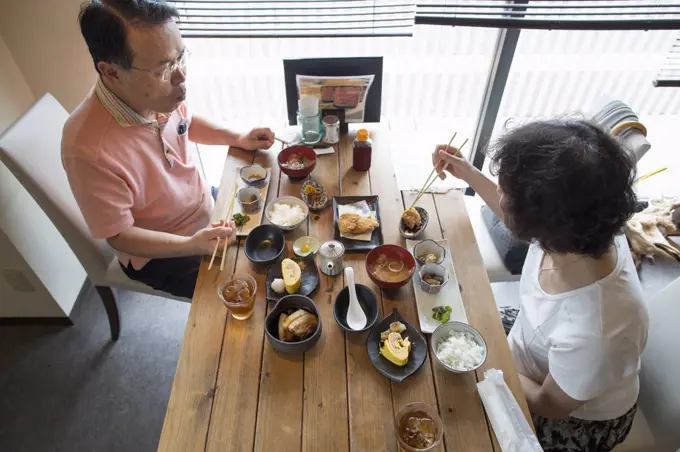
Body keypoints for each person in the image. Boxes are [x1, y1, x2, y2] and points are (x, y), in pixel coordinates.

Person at [432, 120, 649, 451]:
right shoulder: (584, 228)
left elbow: (551, 404)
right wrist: (467, 172)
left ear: (539, 217)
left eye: (506, 192)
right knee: (439, 328)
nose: (502, 198)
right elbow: (515, 214)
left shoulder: (600, 328)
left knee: (456, 424)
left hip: (573, 419)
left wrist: (489, 362)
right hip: (534, 345)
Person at [62, 0, 275, 299]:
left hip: (202, 206)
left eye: (180, 58)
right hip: (162, 253)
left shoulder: (156, 95)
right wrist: (193, 245)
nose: (181, 78)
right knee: (252, 290)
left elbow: (185, 123)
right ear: (111, 72)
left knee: (275, 227)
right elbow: (119, 236)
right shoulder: (86, 148)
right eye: (164, 70)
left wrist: (238, 136)